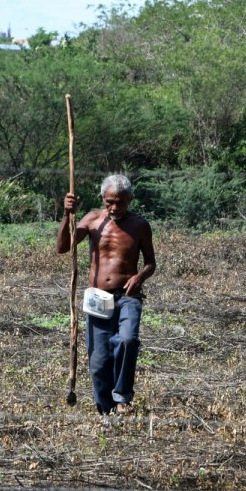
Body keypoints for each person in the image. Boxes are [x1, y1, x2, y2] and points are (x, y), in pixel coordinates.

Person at [58, 174, 156, 416]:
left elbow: (151, 263)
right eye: (110, 202)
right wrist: (67, 214)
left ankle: (122, 396)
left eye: (121, 202)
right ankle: (106, 413)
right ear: (103, 198)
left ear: (130, 200)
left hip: (128, 296)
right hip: (98, 297)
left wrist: (139, 277)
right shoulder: (92, 220)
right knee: (99, 361)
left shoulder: (139, 225)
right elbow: (63, 247)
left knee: (126, 340)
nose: (115, 208)